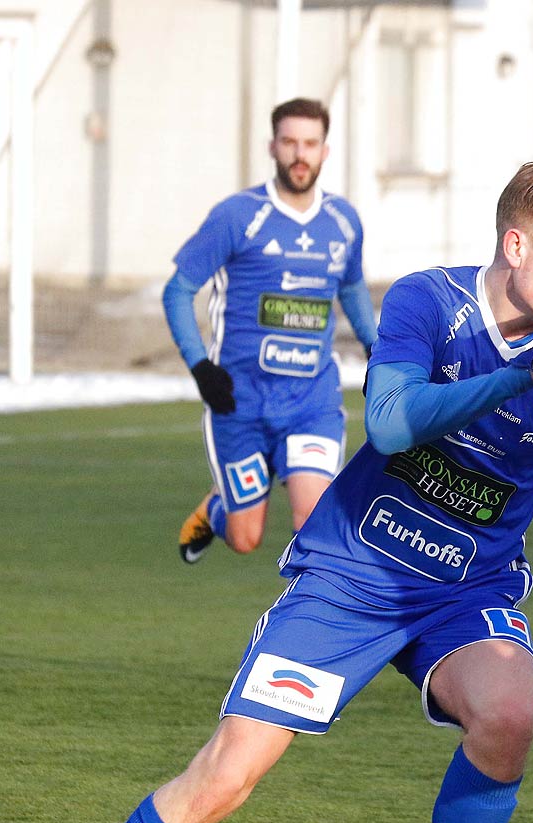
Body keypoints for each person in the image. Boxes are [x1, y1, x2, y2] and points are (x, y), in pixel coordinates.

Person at [7, 161, 533, 823]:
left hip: (465, 594)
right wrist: (517, 377)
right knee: (227, 776)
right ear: (515, 245)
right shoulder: (431, 305)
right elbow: (391, 424)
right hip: (352, 576)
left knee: (511, 714)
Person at [165, 98, 380, 564]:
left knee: (313, 523)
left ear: (325, 151)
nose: (299, 154)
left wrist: (377, 349)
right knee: (246, 538)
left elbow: (352, 286)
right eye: (289, 143)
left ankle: (308, 631)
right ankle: (218, 508)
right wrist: (201, 368)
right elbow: (177, 292)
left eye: (309, 143)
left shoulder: (343, 222)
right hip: (240, 401)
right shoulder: (237, 216)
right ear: (272, 147)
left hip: (310, 402)